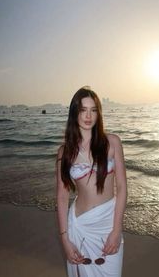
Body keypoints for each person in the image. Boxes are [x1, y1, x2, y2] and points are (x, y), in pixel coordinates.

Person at [56, 86, 127, 277]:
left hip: (108, 223)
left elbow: (121, 188)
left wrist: (116, 229)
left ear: (98, 113)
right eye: (83, 110)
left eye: (93, 110)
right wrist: (65, 240)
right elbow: (62, 197)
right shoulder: (65, 152)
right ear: (74, 113)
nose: (88, 116)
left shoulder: (112, 142)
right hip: (79, 226)